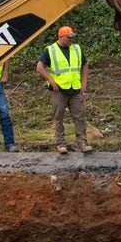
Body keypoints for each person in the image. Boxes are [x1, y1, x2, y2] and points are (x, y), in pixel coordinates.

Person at [38, 25, 90, 154]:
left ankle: (82, 142)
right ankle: (60, 143)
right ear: (60, 37)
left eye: (72, 37)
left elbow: (85, 65)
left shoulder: (76, 49)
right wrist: (51, 81)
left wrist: (84, 84)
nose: (71, 40)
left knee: (79, 116)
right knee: (58, 117)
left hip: (75, 88)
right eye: (68, 37)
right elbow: (40, 67)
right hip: (59, 90)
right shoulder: (51, 50)